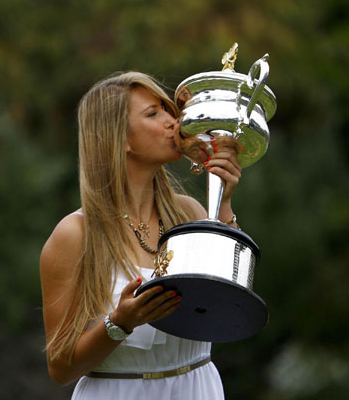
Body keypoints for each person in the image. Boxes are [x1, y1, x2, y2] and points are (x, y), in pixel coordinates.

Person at [39, 71, 242, 399]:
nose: (172, 121)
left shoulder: (188, 213)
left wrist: (223, 203)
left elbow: (231, 303)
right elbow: (60, 368)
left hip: (198, 387)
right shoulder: (75, 235)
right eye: (153, 113)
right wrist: (118, 324)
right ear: (119, 138)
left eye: (167, 109)